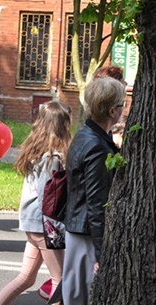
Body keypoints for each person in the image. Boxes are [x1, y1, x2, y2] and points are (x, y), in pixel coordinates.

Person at [0, 101, 71, 305]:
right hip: (45, 226)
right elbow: (49, 199)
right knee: (60, 281)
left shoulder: (35, 152)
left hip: (33, 224)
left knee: (26, 278)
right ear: (61, 126)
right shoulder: (52, 157)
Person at [61, 77, 125, 305]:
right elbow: (97, 204)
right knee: (79, 299)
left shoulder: (88, 134)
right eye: (122, 105)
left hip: (79, 229)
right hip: (85, 234)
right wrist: (101, 252)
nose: (123, 109)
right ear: (111, 111)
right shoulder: (97, 147)